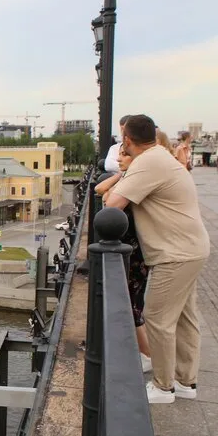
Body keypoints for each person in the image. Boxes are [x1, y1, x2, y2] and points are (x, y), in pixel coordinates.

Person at [105, 115, 210, 404]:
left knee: (157, 318)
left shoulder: (148, 162)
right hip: (191, 247)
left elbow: (112, 205)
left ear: (127, 139)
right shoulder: (161, 157)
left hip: (174, 253)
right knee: (186, 318)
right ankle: (186, 381)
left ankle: (163, 387)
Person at [96, 147, 153, 373]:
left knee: (132, 305)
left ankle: (146, 354)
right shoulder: (129, 179)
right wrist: (121, 175)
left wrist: (121, 179)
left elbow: (109, 201)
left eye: (124, 154)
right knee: (131, 303)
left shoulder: (136, 182)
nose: (118, 158)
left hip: (133, 253)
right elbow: (100, 188)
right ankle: (140, 350)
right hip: (126, 250)